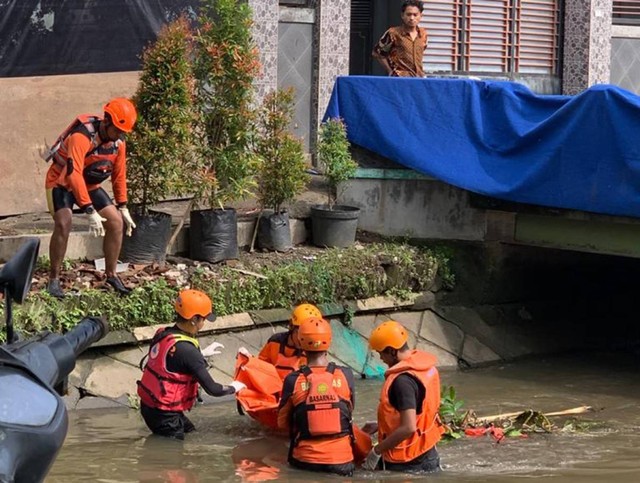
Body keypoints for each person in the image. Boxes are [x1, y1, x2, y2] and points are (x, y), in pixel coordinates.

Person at [44, 98, 139, 298]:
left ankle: (111, 275)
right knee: (64, 223)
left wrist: (123, 206)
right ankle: (53, 279)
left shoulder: (119, 143)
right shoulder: (82, 136)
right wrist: (89, 209)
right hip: (61, 182)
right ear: (107, 122)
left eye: (123, 133)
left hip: (89, 184)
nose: (120, 136)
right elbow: (73, 174)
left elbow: (119, 175)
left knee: (115, 222)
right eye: (118, 130)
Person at [137, 289, 246, 440]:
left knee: (191, 432)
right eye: (204, 319)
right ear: (194, 319)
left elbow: (171, 361)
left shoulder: (163, 333)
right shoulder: (188, 351)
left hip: (150, 404)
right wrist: (234, 387)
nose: (204, 322)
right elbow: (213, 389)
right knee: (173, 457)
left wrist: (201, 354)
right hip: (164, 413)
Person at [277, 317, 357, 476]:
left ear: (301, 343)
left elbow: (282, 423)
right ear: (329, 341)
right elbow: (349, 410)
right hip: (342, 460)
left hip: (305, 460)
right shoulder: (346, 375)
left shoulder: (293, 380)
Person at [362, 320, 444, 473]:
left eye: (381, 353)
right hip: (428, 452)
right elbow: (418, 413)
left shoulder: (402, 381)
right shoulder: (423, 369)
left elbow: (409, 427)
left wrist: (376, 451)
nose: (381, 358)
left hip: (409, 462)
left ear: (392, 351)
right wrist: (381, 425)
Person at [258, 303, 322, 379]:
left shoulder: (312, 351)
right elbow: (260, 366)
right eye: (301, 333)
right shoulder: (275, 342)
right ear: (291, 326)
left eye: (310, 336)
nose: (304, 340)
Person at [372, 0, 428, 78]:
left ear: (420, 16)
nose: (412, 18)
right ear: (402, 15)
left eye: (415, 15)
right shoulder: (393, 33)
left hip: (419, 77)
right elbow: (378, 53)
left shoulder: (423, 34)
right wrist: (390, 71)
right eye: (408, 14)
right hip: (400, 78)